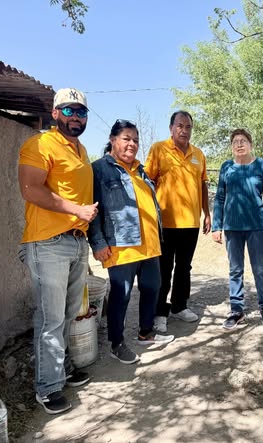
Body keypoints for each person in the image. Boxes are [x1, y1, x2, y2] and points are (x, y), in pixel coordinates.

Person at [18, 88, 97, 415]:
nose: (75, 117)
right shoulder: (39, 144)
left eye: (81, 112)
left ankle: (60, 370)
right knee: (50, 318)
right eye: (68, 110)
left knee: (66, 314)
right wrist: (76, 210)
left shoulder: (80, 149)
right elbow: (30, 189)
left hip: (76, 241)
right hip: (48, 242)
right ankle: (47, 388)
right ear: (55, 113)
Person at [88, 120, 174, 365]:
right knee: (121, 295)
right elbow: (93, 208)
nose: (132, 144)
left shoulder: (140, 170)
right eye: (126, 138)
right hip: (121, 245)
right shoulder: (99, 169)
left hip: (149, 244)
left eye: (135, 140)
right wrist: (98, 243)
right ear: (113, 140)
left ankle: (146, 332)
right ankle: (117, 344)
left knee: (152, 288)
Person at [145, 111, 211, 333]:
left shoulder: (198, 154)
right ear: (171, 128)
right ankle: (159, 312)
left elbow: (203, 185)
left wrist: (207, 213)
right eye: (180, 126)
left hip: (191, 223)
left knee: (184, 267)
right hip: (165, 223)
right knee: (164, 268)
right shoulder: (158, 149)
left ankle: (179, 306)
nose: (184, 130)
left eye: (188, 126)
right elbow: (147, 182)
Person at [212, 129, 263, 330]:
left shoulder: (260, 165)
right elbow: (219, 197)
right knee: (235, 269)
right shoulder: (226, 167)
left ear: (250, 144)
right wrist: (216, 225)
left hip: (256, 226)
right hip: (232, 227)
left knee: (259, 268)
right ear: (232, 147)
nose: (239, 144)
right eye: (235, 142)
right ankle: (236, 310)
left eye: (243, 141)